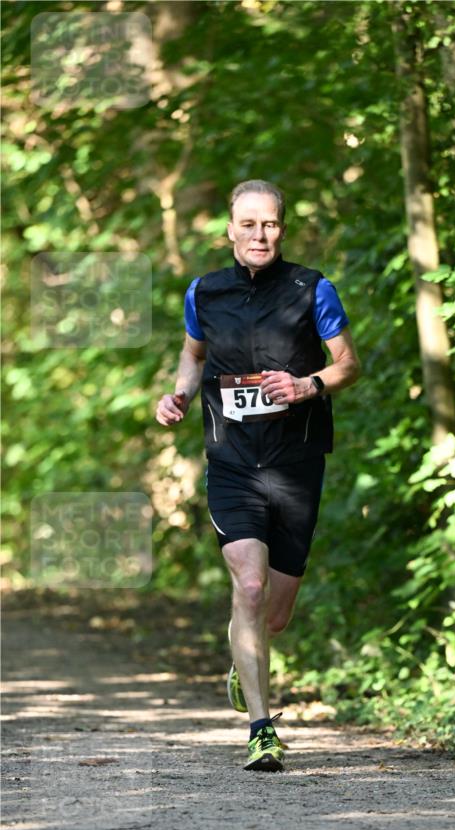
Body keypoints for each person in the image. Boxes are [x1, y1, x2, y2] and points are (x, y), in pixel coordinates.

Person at [155, 179, 361, 773]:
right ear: (230, 231)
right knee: (247, 587)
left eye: (269, 224)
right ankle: (262, 729)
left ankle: (244, 660)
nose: (259, 235)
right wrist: (177, 397)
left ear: (282, 229)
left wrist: (307, 385)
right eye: (248, 225)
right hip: (232, 460)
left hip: (296, 463)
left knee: (274, 613)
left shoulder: (312, 288)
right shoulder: (205, 292)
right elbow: (193, 356)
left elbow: (348, 363)